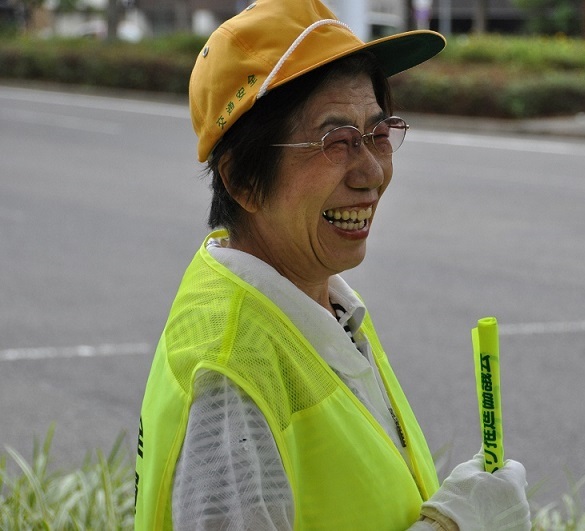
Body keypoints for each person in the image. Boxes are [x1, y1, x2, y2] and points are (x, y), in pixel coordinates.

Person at [134, 1, 532, 529]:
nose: (371, 172)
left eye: (378, 133)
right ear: (242, 180)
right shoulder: (228, 379)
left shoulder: (316, 301)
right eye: (336, 141)